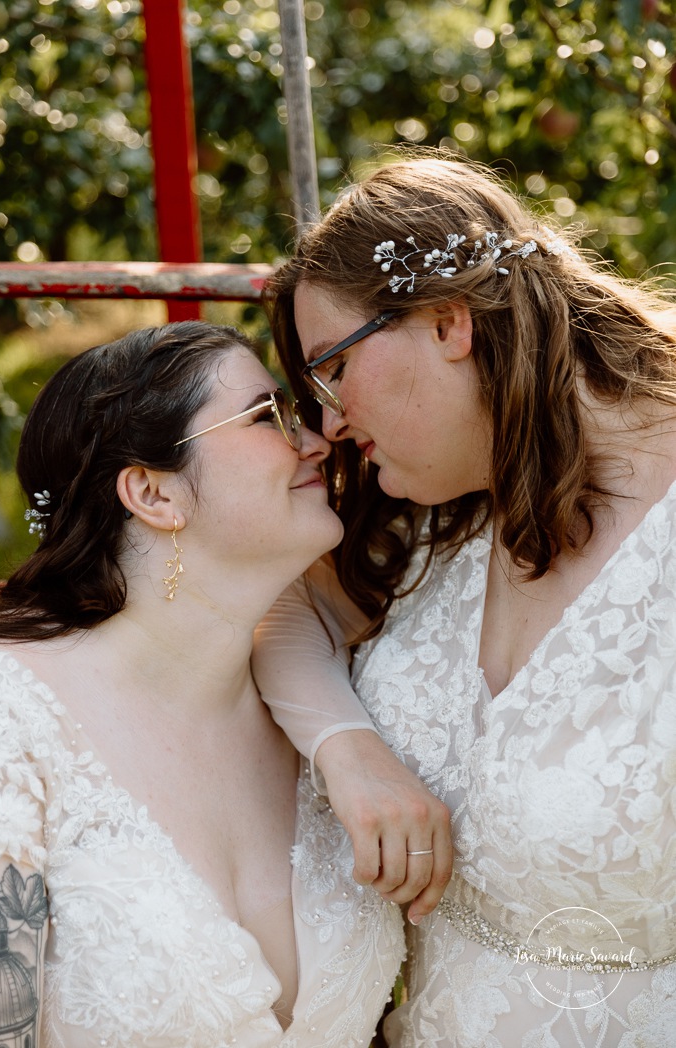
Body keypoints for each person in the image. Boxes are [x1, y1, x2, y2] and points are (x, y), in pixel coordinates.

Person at [253, 154, 676, 1046]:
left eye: (332, 371)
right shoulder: (434, 510)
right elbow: (282, 611)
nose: (326, 424)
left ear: (448, 323)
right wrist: (349, 746)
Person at [0, 320, 407, 1048]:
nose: (315, 439)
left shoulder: (338, 695)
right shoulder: (2, 725)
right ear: (152, 493)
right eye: (266, 415)